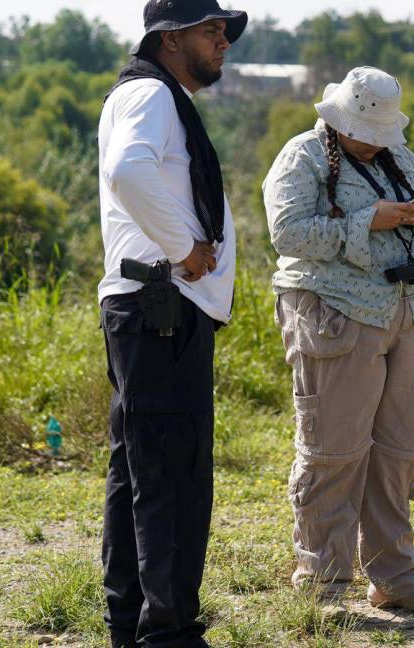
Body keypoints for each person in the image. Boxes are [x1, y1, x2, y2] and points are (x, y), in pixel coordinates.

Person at [263, 66, 414, 616]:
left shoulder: (400, 156)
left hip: (410, 315)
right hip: (336, 316)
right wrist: (369, 221)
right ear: (338, 119)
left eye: (381, 136)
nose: (373, 144)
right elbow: (288, 233)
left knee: (398, 453)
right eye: (365, 134)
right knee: (335, 449)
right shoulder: (301, 156)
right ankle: (321, 582)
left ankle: (394, 576)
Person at [97, 1, 245, 646]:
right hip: (159, 307)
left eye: (223, 33)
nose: (223, 43)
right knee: (172, 478)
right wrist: (187, 249)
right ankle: (169, 634)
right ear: (169, 37)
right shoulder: (152, 96)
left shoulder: (149, 94)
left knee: (141, 470)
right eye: (211, 31)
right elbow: (127, 171)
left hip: (151, 309)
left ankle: (133, 626)